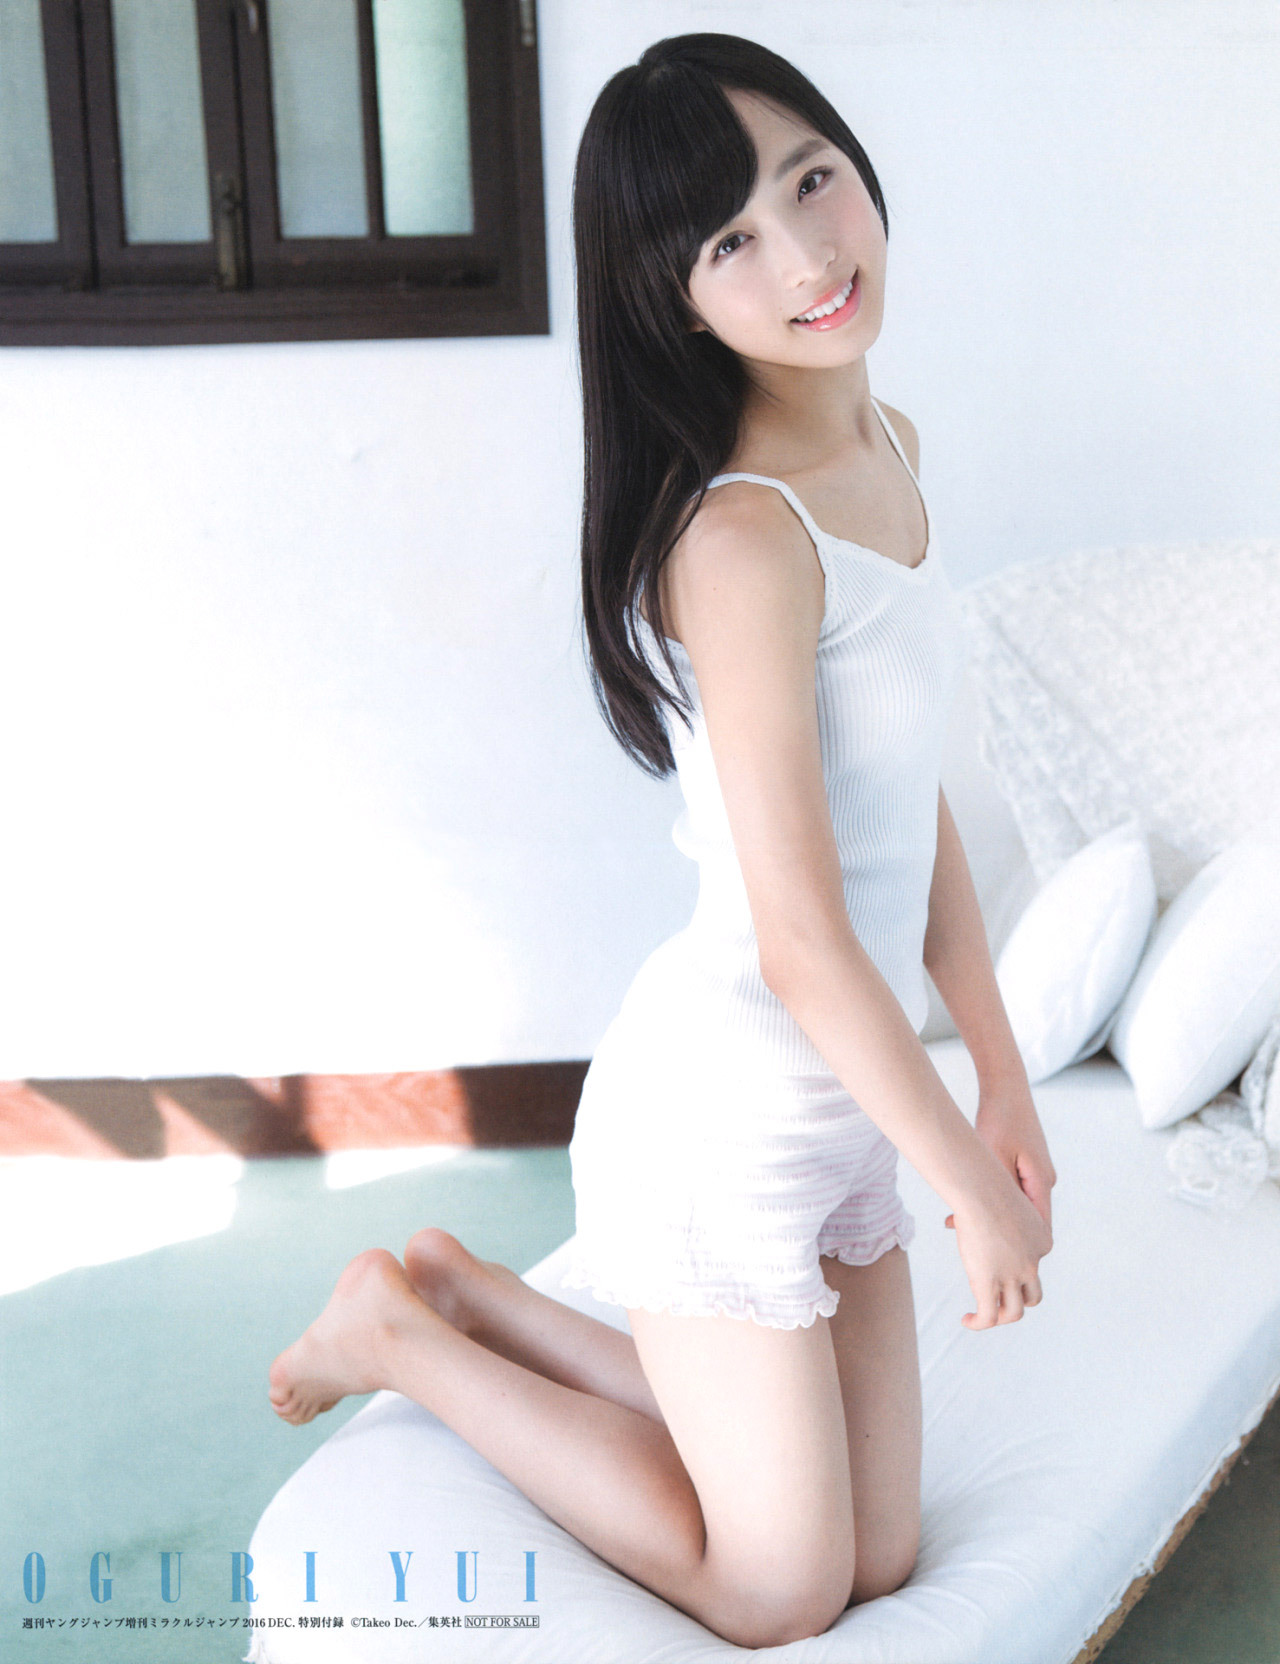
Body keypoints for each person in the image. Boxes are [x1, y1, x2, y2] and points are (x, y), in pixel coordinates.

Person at [266, 33, 1056, 1650]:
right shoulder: (742, 537)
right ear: (675, 299)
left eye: (811, 181)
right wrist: (963, 1178)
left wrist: (1002, 1071)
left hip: (847, 1107)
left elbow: (909, 812)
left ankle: (473, 1293)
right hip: (726, 1119)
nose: (808, 256)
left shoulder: (892, 451)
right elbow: (804, 940)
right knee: (782, 1589)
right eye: (731, 242)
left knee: (882, 1555)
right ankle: (399, 1337)